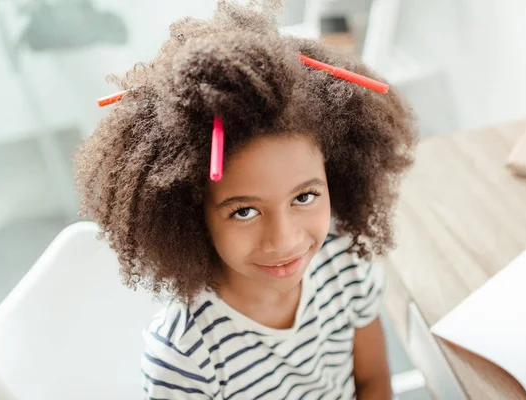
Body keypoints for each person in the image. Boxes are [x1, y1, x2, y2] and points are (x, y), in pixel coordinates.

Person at [74, 1, 417, 398]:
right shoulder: (185, 357)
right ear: (190, 214)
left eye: (304, 196)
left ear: (335, 175)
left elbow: (373, 382)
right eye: (244, 210)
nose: (284, 240)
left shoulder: (346, 264)